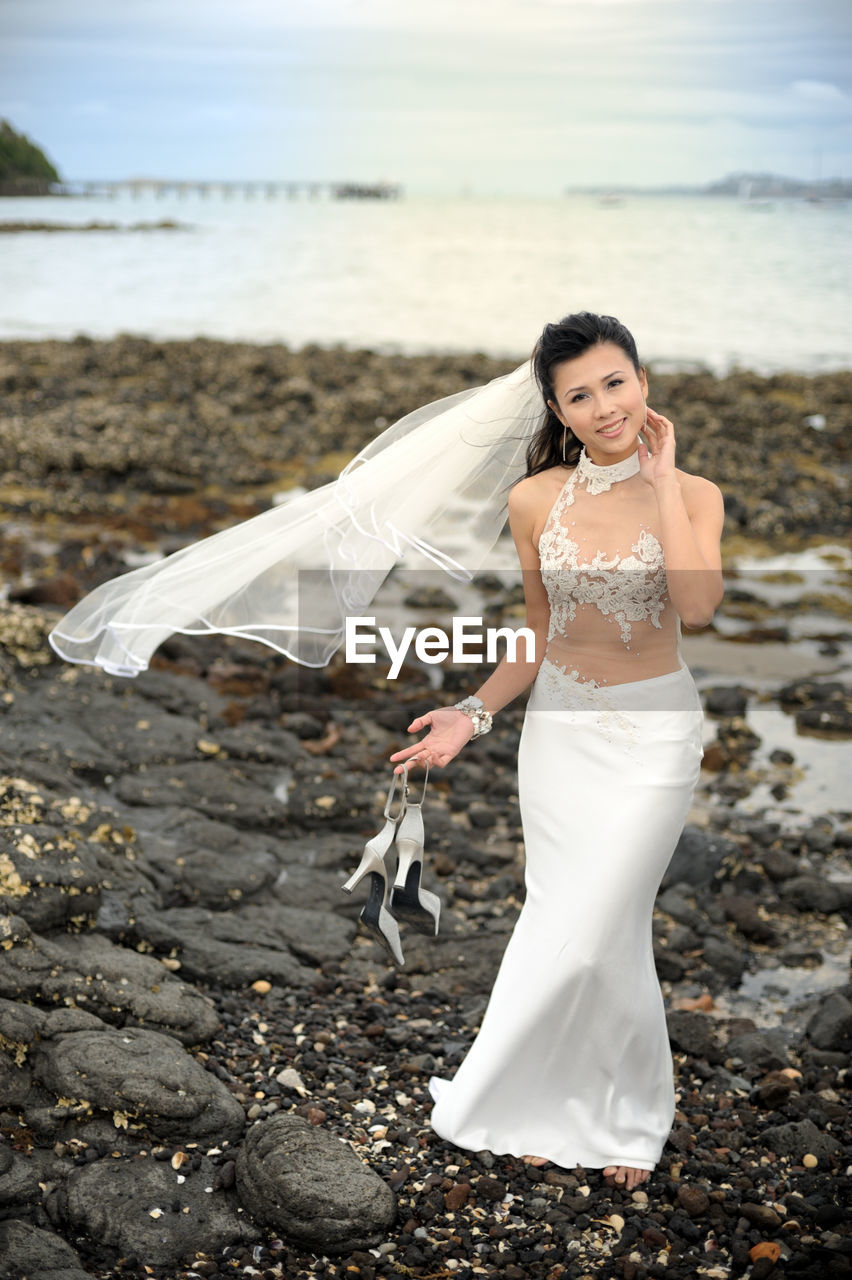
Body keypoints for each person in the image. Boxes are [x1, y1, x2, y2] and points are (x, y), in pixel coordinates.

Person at [388, 311, 724, 1191]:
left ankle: (629, 1116)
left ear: (642, 382)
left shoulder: (694, 495)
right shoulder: (535, 500)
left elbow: (699, 612)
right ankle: (535, 1103)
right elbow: (539, 634)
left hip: (655, 739)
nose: (605, 405)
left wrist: (661, 481)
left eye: (616, 382)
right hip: (559, 740)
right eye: (581, 394)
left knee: (602, 926)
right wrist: (472, 714)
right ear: (558, 408)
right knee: (565, 922)